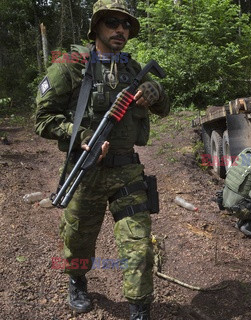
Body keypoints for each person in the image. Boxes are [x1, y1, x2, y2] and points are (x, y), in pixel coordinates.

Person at [35, 1, 169, 319]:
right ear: (96, 27)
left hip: (126, 170)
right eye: (112, 22)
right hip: (85, 171)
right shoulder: (70, 65)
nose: (120, 29)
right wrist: (80, 136)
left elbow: (163, 108)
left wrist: (157, 93)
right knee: (79, 238)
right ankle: (77, 280)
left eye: (126, 24)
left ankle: (139, 309)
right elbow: (42, 119)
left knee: (138, 243)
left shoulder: (133, 69)